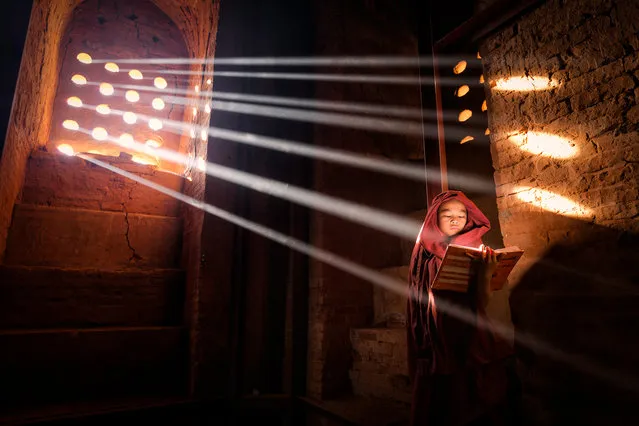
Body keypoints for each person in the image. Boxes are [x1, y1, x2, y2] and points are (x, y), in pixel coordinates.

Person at [406, 190, 520, 426]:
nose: (455, 219)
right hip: (438, 338)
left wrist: (486, 272)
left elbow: (480, 302)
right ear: (434, 219)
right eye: (446, 214)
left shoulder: (475, 249)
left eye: (461, 214)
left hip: (469, 335)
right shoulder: (426, 253)